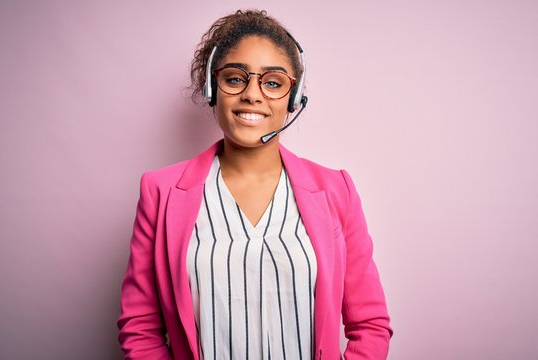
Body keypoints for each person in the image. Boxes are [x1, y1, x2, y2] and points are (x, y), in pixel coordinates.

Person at [117, 9, 392, 360]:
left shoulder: (337, 190)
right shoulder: (160, 193)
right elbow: (140, 326)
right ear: (211, 87)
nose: (252, 95)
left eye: (273, 83)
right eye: (235, 79)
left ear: (294, 99)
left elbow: (370, 324)